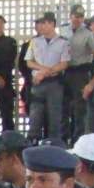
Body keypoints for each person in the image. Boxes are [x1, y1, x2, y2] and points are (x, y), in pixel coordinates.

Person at [24, 14, 70, 144]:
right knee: (35, 115)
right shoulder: (35, 41)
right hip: (37, 83)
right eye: (40, 23)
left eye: (44, 23)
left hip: (54, 83)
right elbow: (29, 62)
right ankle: (33, 142)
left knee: (54, 116)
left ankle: (53, 144)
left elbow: (64, 63)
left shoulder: (63, 42)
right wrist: (42, 70)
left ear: (52, 24)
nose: (41, 26)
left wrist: (44, 73)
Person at [63, 4, 94, 140]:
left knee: (80, 108)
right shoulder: (63, 30)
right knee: (64, 106)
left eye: (81, 17)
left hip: (80, 73)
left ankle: (78, 139)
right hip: (65, 72)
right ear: (70, 16)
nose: (78, 19)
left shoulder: (88, 33)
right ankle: (64, 137)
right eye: (76, 16)